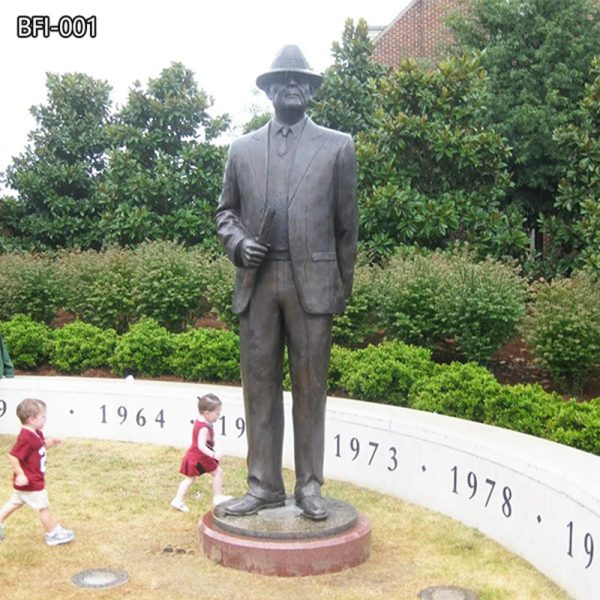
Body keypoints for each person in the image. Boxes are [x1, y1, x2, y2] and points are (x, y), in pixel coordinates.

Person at [215, 45, 358, 520]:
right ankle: (263, 485)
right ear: (270, 90)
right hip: (257, 283)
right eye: (284, 79)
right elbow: (225, 213)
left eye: (302, 80)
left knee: (310, 388)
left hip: (312, 285)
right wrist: (238, 244)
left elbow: (346, 227)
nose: (293, 85)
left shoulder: (338, 146)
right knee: (258, 387)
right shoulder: (241, 149)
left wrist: (341, 289)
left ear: (311, 91)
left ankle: (310, 485)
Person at [0, 398, 75, 546]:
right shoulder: (25, 437)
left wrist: (52, 442)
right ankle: (52, 533)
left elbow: (40, 446)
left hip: (29, 482)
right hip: (32, 482)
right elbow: (13, 455)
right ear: (31, 419)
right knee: (43, 507)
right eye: (43, 417)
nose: (45, 419)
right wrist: (21, 474)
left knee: (14, 503)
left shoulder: (36, 433)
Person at [171, 393, 231, 512]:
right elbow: (201, 445)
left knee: (190, 479)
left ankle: (178, 500)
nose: (219, 416)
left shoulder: (201, 421)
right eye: (217, 413)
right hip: (199, 457)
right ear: (207, 413)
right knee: (218, 473)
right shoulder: (204, 428)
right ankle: (218, 497)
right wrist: (213, 454)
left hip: (194, 456)